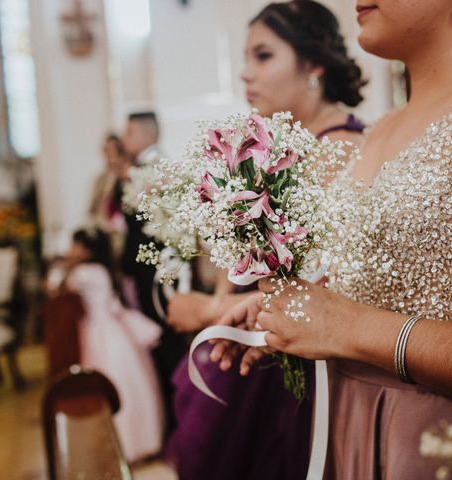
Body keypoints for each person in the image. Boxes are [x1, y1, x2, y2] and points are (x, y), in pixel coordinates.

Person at [214, 0, 452, 478]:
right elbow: (388, 286)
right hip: (356, 427)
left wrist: (348, 327)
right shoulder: (382, 129)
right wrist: (307, 309)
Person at [163, 2, 367, 479]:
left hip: (291, 369)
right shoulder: (276, 144)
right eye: (246, 58)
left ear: (314, 64)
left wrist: (210, 312)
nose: (246, 74)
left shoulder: (339, 150)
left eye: (263, 56)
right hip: (255, 349)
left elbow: (338, 286)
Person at [58, 228, 164, 463]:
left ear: (87, 250)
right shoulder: (103, 270)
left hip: (99, 331)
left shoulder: (84, 273)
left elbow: (55, 286)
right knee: (131, 381)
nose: (71, 250)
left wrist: (66, 266)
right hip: (113, 329)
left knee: (107, 382)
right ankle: (140, 440)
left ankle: (122, 444)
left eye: (76, 245)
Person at [116, 111, 188, 437]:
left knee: (165, 343)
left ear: (147, 135)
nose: (124, 138)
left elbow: (157, 229)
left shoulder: (155, 170)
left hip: (158, 273)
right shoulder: (146, 168)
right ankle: (171, 418)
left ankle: (178, 419)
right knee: (161, 343)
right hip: (152, 269)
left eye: (129, 132)